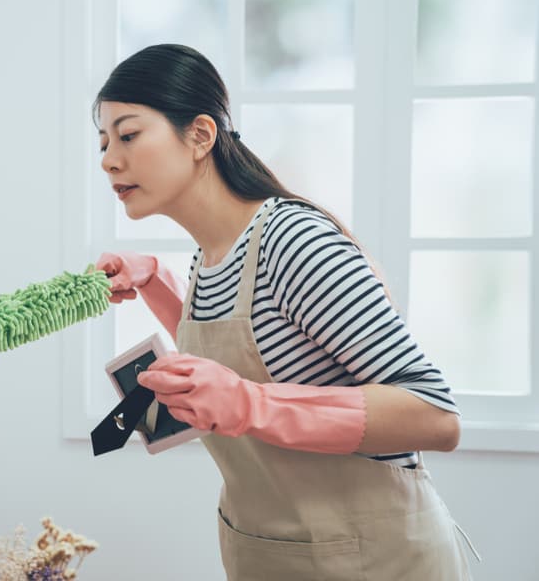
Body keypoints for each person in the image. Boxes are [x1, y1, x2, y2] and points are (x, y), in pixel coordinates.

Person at [93, 44, 480, 581]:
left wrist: (249, 403)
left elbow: (436, 416)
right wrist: (155, 279)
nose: (110, 159)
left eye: (129, 134)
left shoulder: (291, 241)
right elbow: (265, 351)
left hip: (375, 561)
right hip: (273, 555)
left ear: (201, 135)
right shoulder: (210, 255)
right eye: (104, 141)